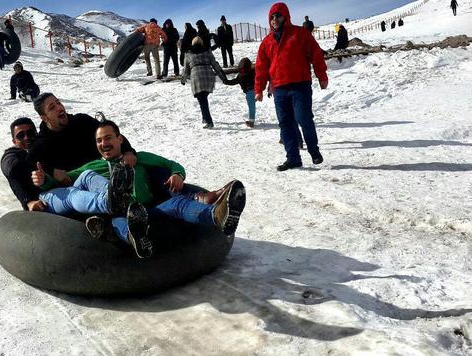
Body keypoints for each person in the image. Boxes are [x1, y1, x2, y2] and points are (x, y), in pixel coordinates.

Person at [32, 120, 246, 258]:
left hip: (147, 209)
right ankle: (138, 241)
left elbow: (172, 164)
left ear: (120, 139)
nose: (103, 143)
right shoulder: (93, 167)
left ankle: (217, 216)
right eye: (99, 140)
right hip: (119, 213)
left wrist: (177, 175)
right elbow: (66, 184)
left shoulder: (138, 158)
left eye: (108, 138)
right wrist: (45, 181)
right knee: (119, 221)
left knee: (176, 204)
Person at [255, 2, 328, 171]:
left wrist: (321, 76)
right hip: (279, 88)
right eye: (272, 17)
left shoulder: (300, 34)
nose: (275, 20)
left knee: (303, 118)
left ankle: (314, 150)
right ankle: (293, 158)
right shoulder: (266, 42)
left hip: (300, 85)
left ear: (285, 16)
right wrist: (259, 88)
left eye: (278, 16)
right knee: (285, 123)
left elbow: (316, 54)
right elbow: (261, 67)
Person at [29, 93, 137, 175]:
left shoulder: (83, 121)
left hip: (107, 170)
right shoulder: (40, 145)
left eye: (58, 103)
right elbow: (31, 170)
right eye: (52, 107)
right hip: (78, 190)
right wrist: (53, 172)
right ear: (44, 117)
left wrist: (128, 151)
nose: (59, 108)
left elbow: (113, 135)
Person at [1, 117, 46, 211]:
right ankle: (29, 202)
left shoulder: (44, 145)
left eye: (30, 133)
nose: (26, 138)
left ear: (36, 134)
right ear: (14, 141)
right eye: (20, 135)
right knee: (14, 174)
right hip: (39, 202)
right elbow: (11, 167)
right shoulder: (12, 155)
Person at [181, 37, 226, 129]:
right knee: (203, 98)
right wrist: (223, 77)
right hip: (208, 77)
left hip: (197, 77)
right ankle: (205, 118)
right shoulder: (207, 51)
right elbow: (215, 64)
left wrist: (183, 79)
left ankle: (209, 121)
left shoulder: (188, 53)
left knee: (202, 100)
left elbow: (186, 69)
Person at [225, 57, 256, 128]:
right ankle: (251, 120)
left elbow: (234, 81)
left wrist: (226, 81)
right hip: (254, 90)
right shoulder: (253, 71)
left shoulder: (241, 74)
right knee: (252, 106)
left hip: (250, 92)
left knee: (251, 107)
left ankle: (251, 122)